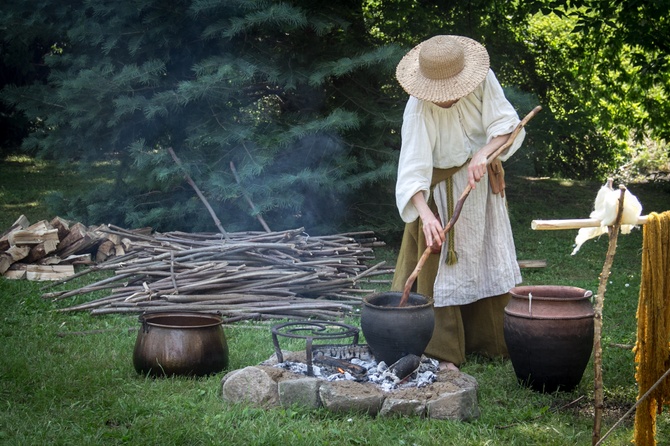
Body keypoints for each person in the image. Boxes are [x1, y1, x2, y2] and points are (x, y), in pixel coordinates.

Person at [391, 35, 525, 372]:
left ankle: (491, 340)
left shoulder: (483, 80)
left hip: (479, 185)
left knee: (485, 253)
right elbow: (412, 170)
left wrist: (484, 154)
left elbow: (507, 127)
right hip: (440, 192)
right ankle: (442, 351)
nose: (448, 99)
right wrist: (425, 216)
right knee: (444, 267)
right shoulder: (418, 108)